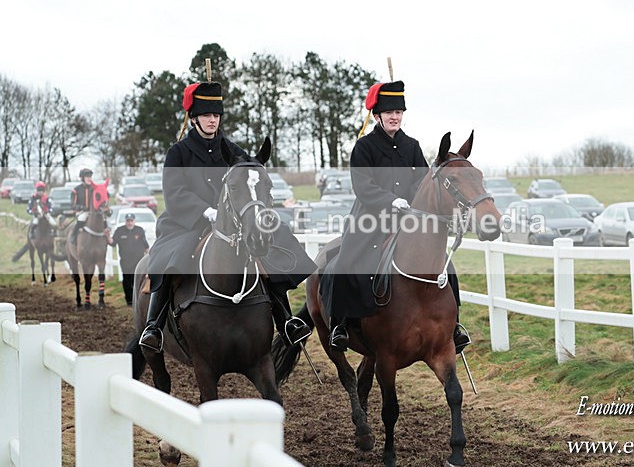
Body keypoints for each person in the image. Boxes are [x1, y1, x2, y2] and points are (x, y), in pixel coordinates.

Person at [139, 81, 314, 353]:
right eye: (207, 115)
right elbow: (174, 193)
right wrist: (204, 210)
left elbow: (250, 175)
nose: (212, 120)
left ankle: (286, 321)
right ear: (194, 118)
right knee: (171, 258)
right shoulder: (178, 153)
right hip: (188, 223)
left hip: (233, 221)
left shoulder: (231, 149)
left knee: (269, 244)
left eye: (216, 115)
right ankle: (153, 325)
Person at [320, 80, 471, 353]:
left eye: (398, 112)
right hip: (370, 217)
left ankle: (455, 326)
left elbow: (423, 181)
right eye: (389, 112)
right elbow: (363, 186)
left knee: (444, 266)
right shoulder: (364, 147)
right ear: (377, 116)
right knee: (348, 261)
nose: (394, 117)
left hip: (409, 218)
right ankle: (341, 324)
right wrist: (391, 201)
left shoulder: (411, 146)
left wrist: (412, 201)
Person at [107, 212, 150, 306]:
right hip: (125, 261)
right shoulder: (119, 231)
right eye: (128, 221)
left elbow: (146, 245)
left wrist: (149, 258)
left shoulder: (139, 230)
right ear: (125, 221)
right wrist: (107, 236)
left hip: (138, 261)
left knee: (137, 280)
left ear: (134, 221)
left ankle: (138, 299)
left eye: (131, 221)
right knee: (127, 280)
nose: (129, 223)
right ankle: (129, 300)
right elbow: (112, 243)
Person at [70, 168, 95, 244]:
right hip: (82, 212)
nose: (89, 178)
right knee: (81, 219)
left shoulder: (94, 188)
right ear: (82, 178)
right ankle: (73, 236)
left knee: (103, 220)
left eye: (90, 177)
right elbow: (73, 205)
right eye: (87, 177)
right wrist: (82, 207)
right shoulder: (76, 190)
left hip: (93, 212)